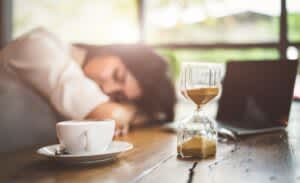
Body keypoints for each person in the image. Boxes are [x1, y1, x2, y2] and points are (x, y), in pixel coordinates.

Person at [0, 28, 176, 136]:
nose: (107, 89)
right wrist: (129, 112)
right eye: (117, 75)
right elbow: (108, 115)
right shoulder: (39, 46)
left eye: (118, 96)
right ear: (113, 50)